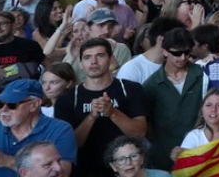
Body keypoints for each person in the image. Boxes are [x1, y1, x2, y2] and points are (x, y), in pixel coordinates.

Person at [51, 39, 147, 177]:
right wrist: (91, 117)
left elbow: (140, 133)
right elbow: (70, 145)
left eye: (100, 56)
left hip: (127, 170)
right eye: (87, 57)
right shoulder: (67, 98)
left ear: (111, 59)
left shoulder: (130, 89)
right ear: (80, 64)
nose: (93, 62)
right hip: (85, 171)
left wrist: (113, 113)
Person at [140, 29, 204, 170]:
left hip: (200, 151)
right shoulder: (151, 85)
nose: (182, 58)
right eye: (176, 53)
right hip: (164, 155)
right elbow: (146, 125)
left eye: (187, 53)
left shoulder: (202, 74)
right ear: (164, 51)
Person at [102, 137, 167, 177]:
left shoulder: (163, 175)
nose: (128, 163)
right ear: (113, 166)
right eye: (121, 159)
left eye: (133, 156)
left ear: (142, 158)